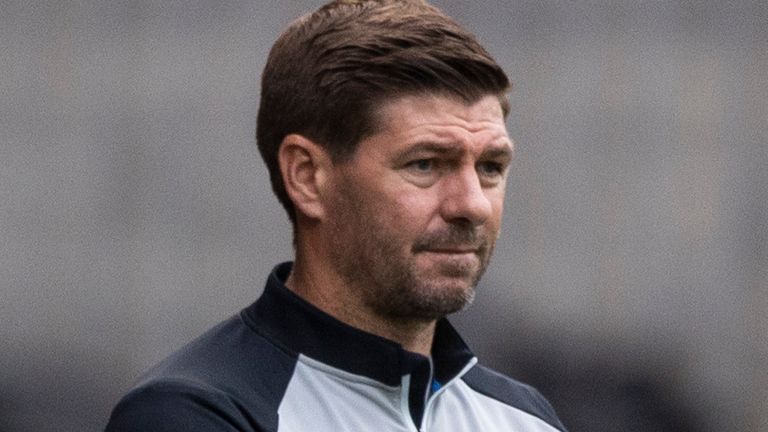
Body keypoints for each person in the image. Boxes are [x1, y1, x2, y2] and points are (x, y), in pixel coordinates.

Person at [105, 1, 567, 431]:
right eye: (424, 164)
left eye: (490, 167)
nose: (472, 204)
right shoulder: (193, 414)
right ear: (307, 177)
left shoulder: (524, 419)